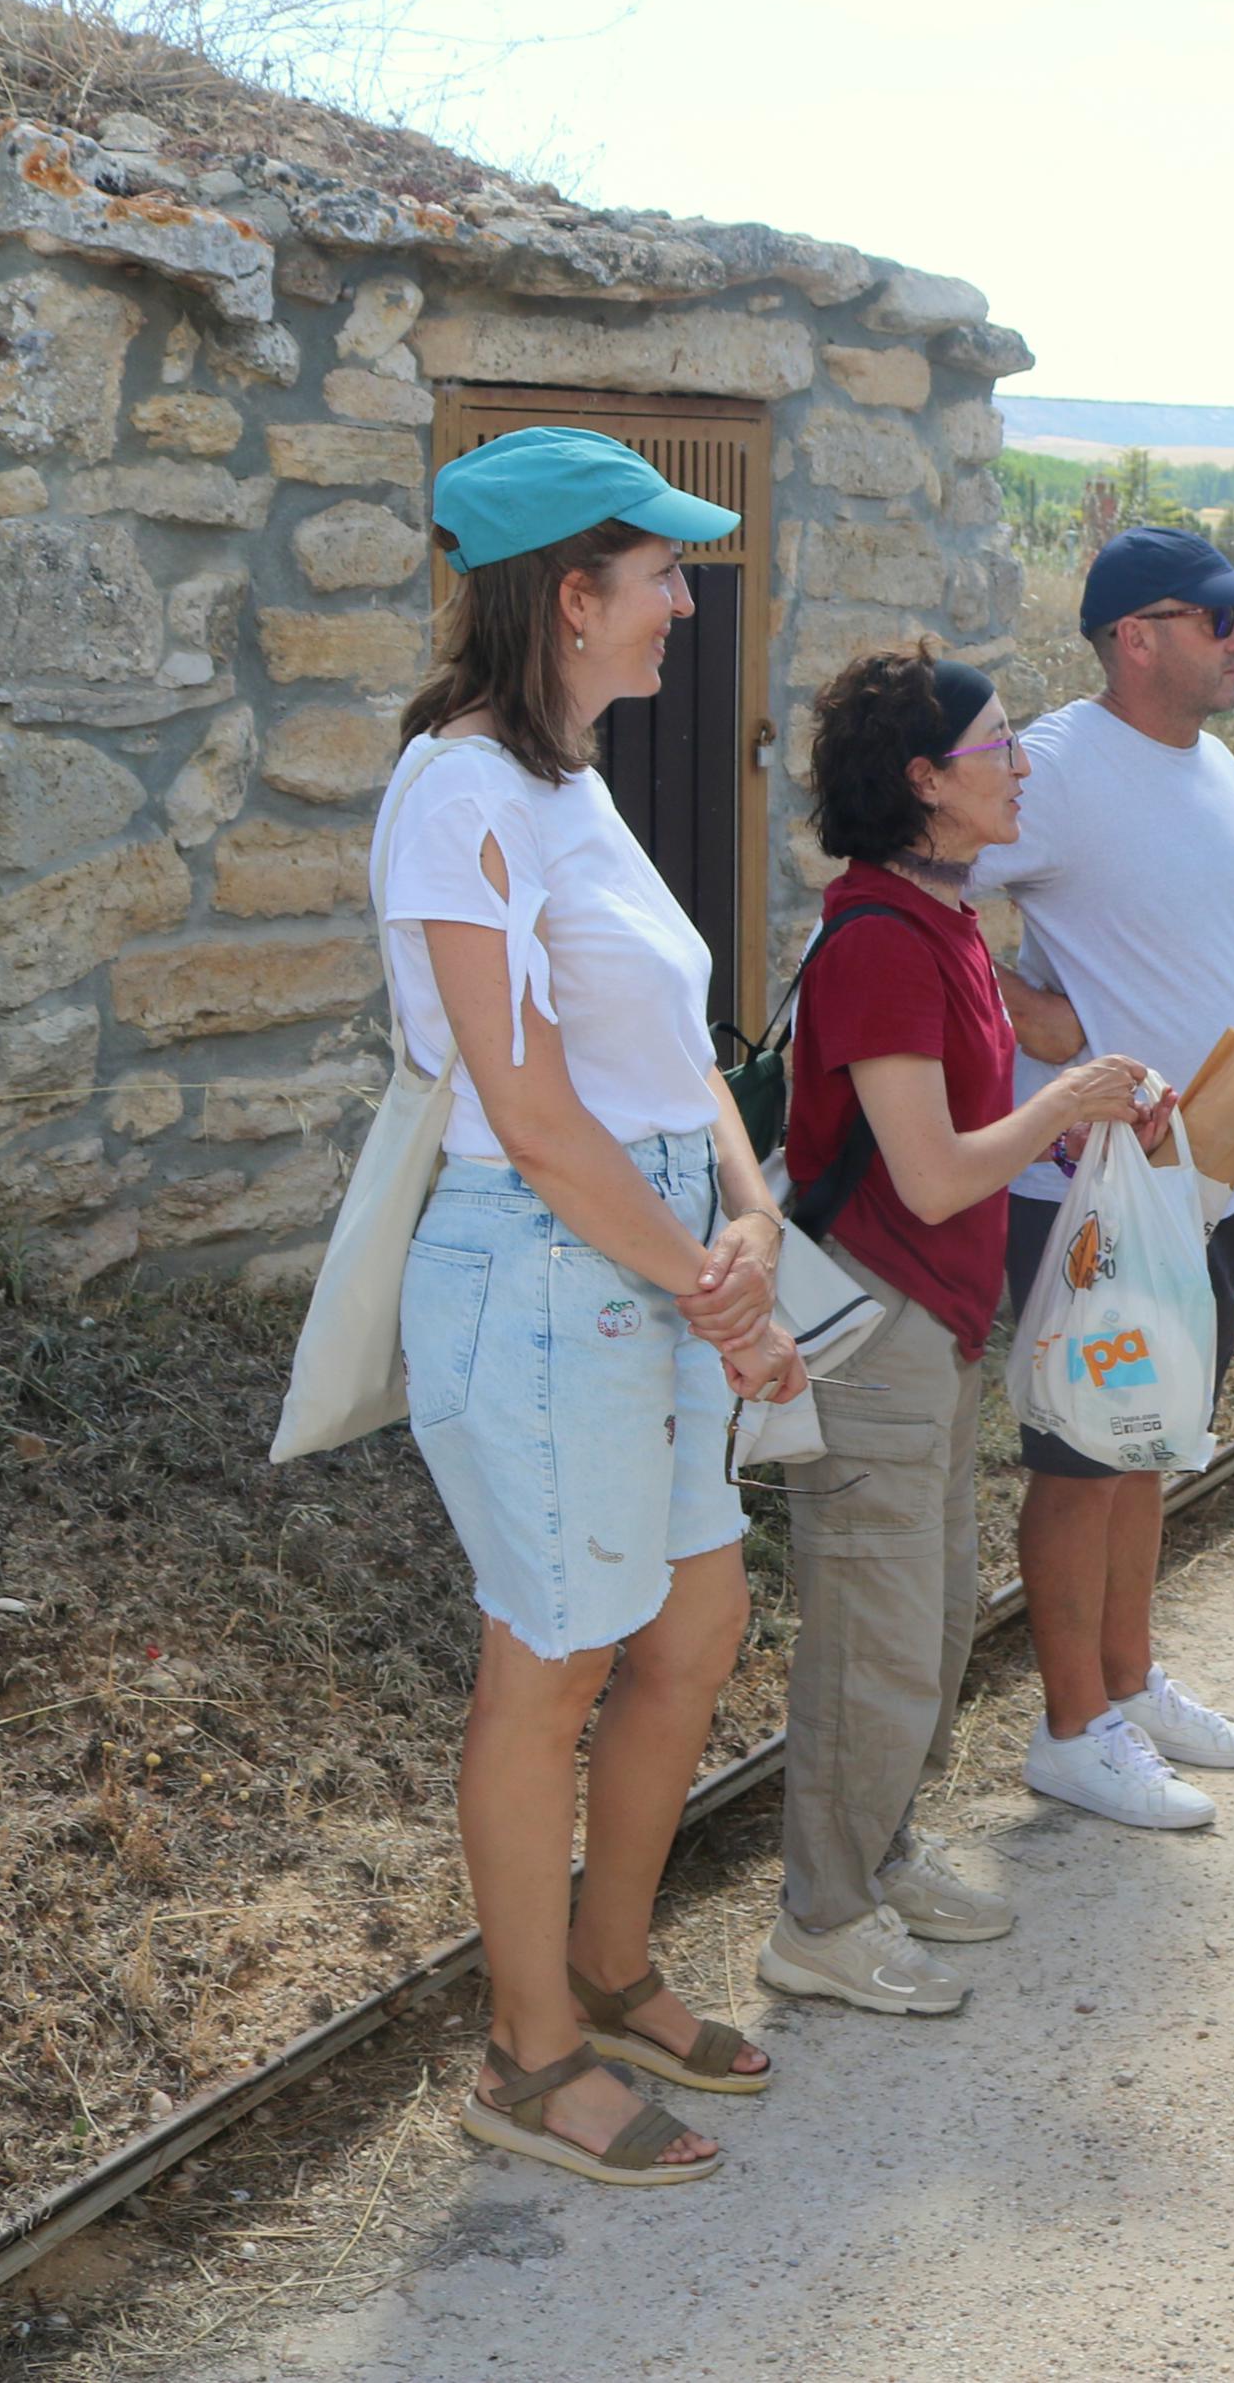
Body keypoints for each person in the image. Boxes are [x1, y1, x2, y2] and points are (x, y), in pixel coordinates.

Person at [382, 426, 812, 2188]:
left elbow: (671, 1050)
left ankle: (613, 1965)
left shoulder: (568, 784)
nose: (680, 607)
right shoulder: (458, 792)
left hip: (642, 1257)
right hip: (542, 1264)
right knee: (543, 1671)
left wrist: (751, 1193)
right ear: (569, 595)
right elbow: (533, 1109)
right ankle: (527, 2049)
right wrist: (706, 1283)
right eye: (656, 577)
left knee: (692, 1634)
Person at [762, 648, 1169, 2018]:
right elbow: (931, 1171)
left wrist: (1101, 1083)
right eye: (998, 745)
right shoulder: (880, 939)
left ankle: (871, 1854)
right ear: (925, 780)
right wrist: (1067, 1106)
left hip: (926, 1323)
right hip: (876, 1324)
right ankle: (819, 1912)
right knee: (872, 1631)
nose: (1023, 763)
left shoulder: (938, 917)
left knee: (929, 1614)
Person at [976, 527, 1234, 1824]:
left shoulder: (1214, 764)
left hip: (1202, 1178)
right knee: (1078, 1456)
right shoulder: (1050, 762)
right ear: (1133, 636)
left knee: (1143, 1440)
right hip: (1086, 1186)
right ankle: (1068, 1726)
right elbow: (897, 894)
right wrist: (1027, 1017)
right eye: (1217, 618)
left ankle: (1126, 1679)